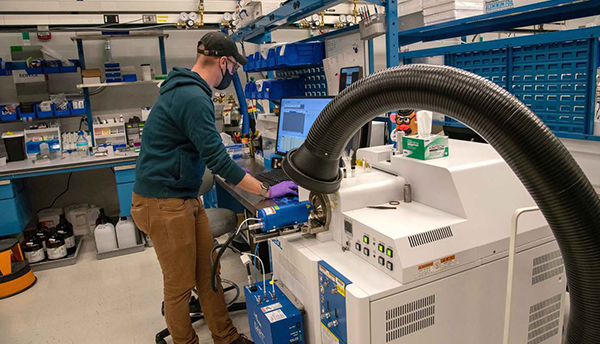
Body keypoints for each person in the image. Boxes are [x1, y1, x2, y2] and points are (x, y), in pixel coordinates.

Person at [130, 32, 297, 344]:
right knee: (179, 285)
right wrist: (265, 190)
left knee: (209, 273)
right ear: (224, 62)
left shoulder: (188, 90)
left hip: (185, 198)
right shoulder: (192, 97)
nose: (232, 73)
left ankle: (226, 337)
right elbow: (219, 161)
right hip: (162, 203)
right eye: (233, 66)